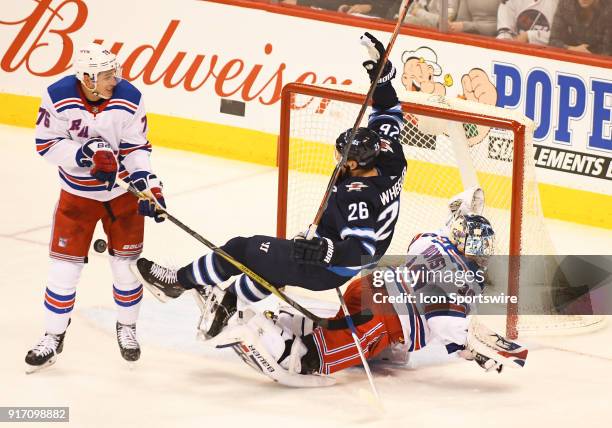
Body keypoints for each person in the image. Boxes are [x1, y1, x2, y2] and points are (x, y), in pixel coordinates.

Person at [134, 32, 407, 339]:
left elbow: (362, 251)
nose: (338, 160)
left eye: (343, 158)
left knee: (242, 249)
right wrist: (381, 77)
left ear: (355, 164)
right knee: (269, 265)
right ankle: (225, 309)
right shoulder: (390, 155)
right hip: (331, 257)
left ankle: (177, 282)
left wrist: (323, 249)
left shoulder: (356, 196)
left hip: (326, 268)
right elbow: (388, 111)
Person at [214, 202, 527, 386]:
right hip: (384, 317)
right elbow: (445, 324)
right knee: (318, 359)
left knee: (352, 331)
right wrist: (473, 344)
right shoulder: (462, 281)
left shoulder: (431, 241)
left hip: (366, 288)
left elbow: (426, 240)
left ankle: (297, 325)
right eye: (478, 246)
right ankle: (269, 338)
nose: (482, 253)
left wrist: (469, 346)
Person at [25, 43, 166, 373]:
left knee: (126, 268)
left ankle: (127, 328)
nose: (113, 80)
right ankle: (53, 336)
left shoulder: (129, 97)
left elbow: (135, 148)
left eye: (114, 72)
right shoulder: (58, 95)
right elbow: (45, 144)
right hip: (77, 196)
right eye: (106, 75)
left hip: (123, 198)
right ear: (87, 78)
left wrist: (148, 182)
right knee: (64, 271)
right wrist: (84, 155)